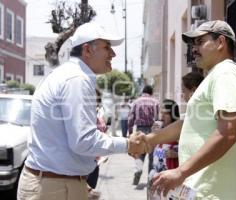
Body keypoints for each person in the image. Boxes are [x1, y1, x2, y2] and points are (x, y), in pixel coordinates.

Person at [17, 21, 146, 200]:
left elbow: (64, 142)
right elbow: (84, 141)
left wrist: (76, 181)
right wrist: (127, 144)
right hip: (54, 186)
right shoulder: (77, 79)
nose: (113, 54)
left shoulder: (69, 75)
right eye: (107, 47)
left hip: (56, 182)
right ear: (87, 50)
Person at [134, 20, 236, 199]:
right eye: (193, 44)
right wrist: (150, 140)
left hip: (214, 193)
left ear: (220, 42)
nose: (194, 49)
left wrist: (181, 172)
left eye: (200, 42)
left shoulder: (225, 74)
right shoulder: (214, 76)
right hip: (201, 191)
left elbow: (228, 134)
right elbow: (188, 124)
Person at [128, 85, 159, 185]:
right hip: (152, 129)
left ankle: (138, 169)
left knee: (140, 153)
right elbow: (158, 118)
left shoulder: (136, 101)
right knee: (151, 156)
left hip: (140, 130)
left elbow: (130, 117)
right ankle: (150, 180)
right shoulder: (155, 102)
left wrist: (130, 132)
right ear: (151, 92)